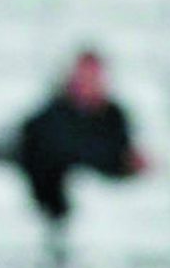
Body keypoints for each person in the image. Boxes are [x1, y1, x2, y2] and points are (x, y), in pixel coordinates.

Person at [16, 49, 145, 221]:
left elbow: (122, 155)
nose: (88, 83)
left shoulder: (114, 116)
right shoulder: (51, 116)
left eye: (93, 77)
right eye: (84, 76)